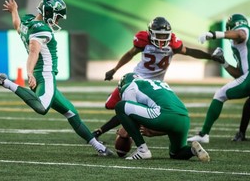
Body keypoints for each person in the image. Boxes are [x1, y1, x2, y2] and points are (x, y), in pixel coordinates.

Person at [0, 0, 113, 156]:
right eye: (57, 16)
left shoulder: (29, 22)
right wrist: (29, 72)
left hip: (42, 76)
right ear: (49, 13)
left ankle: (99, 148)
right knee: (42, 108)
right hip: (45, 76)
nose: (58, 21)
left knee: (71, 112)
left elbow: (18, 27)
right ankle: (6, 82)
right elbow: (33, 50)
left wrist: (14, 11)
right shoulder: (42, 29)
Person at [92, 16, 222, 139]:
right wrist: (114, 69)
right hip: (137, 78)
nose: (161, 38)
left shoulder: (173, 45)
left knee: (129, 109)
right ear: (150, 33)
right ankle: (129, 129)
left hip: (154, 85)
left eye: (164, 35)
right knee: (110, 105)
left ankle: (102, 132)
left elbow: (191, 52)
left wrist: (210, 56)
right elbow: (130, 54)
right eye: (158, 35)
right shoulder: (143, 41)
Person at [187, 13, 250, 143]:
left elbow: (240, 34)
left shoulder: (244, 31)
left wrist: (213, 34)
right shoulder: (247, 44)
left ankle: (203, 134)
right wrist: (223, 62)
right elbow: (239, 75)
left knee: (219, 94)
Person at [114, 73, 210, 161]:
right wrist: (154, 131)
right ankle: (193, 150)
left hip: (164, 115)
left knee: (120, 106)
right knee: (176, 153)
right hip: (184, 118)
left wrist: (127, 130)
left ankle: (143, 150)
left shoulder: (129, 86)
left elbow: (128, 115)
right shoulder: (158, 83)